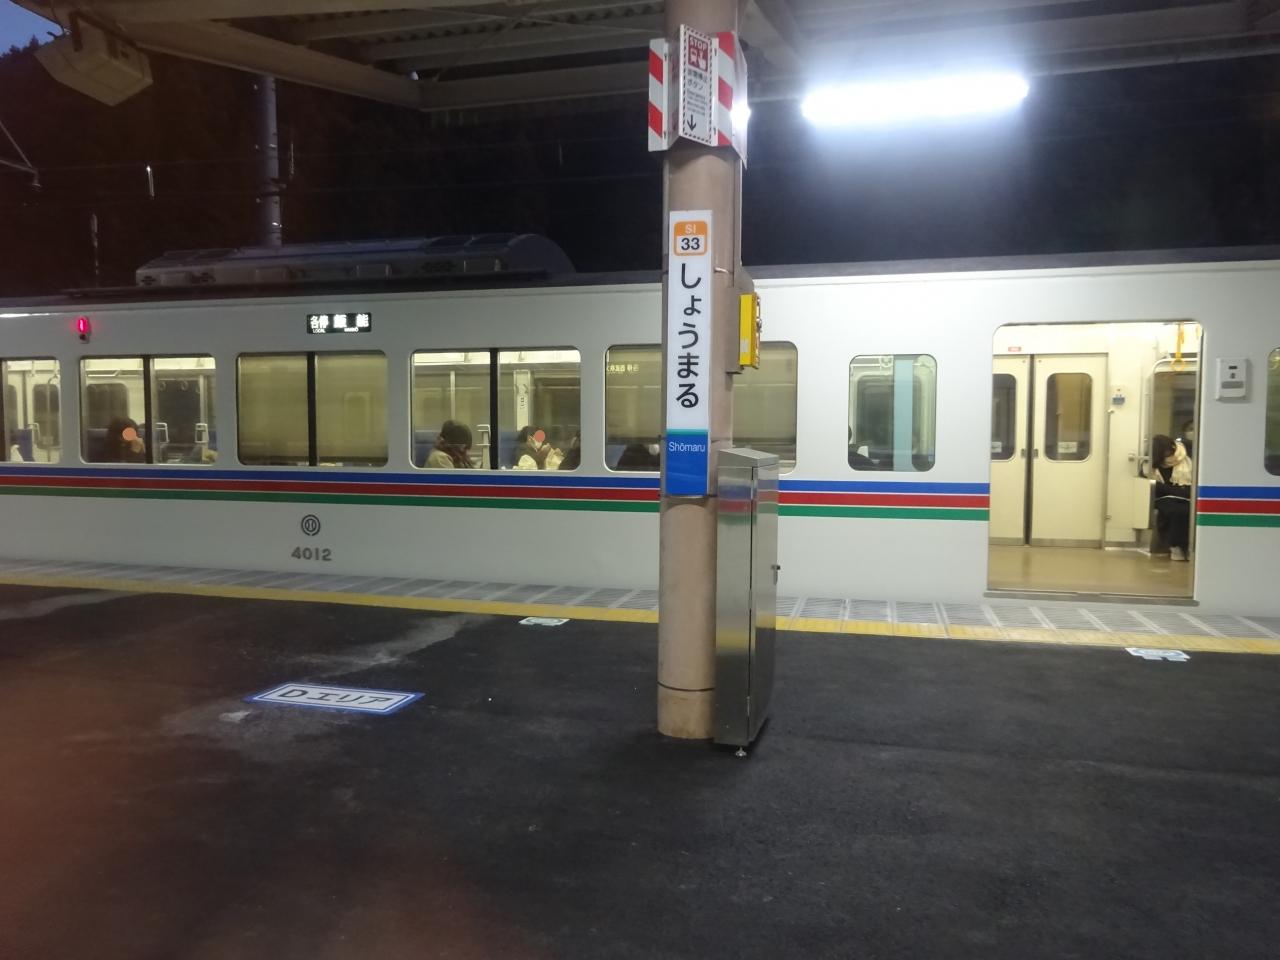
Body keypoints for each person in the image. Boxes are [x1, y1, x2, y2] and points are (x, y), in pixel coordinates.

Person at [1151, 433, 1193, 561]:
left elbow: (1190, 487)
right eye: (1167, 451)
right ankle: (1176, 546)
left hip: (1184, 496)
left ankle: (1186, 546)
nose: (1171, 452)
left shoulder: (1186, 459)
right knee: (1175, 511)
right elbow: (1155, 487)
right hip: (1164, 497)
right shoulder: (1152, 465)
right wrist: (1177, 491)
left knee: (1187, 510)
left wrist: (1176, 491)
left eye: (1172, 449)